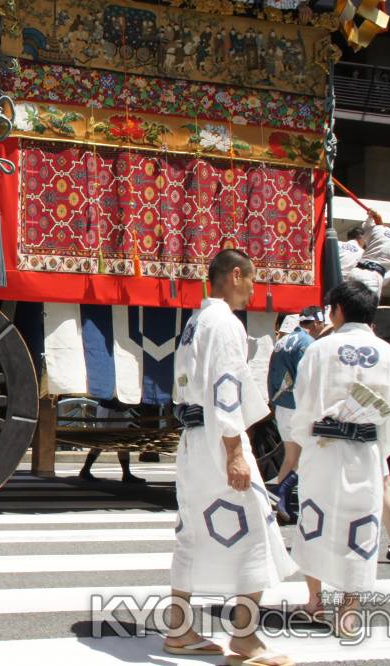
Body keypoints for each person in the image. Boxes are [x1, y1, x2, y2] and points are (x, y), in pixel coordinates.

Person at [165, 250, 296, 663]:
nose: (254, 291)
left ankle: (180, 628)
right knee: (256, 527)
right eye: (253, 280)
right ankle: (244, 637)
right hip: (217, 439)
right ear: (235, 275)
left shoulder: (196, 321)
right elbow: (225, 388)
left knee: (190, 533)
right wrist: (236, 451)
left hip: (193, 440)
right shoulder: (223, 322)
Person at [289, 279, 390, 636]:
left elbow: (304, 404)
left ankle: (315, 601)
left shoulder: (321, 349)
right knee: (361, 527)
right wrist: (377, 451)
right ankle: (350, 611)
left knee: (315, 522)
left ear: (337, 310)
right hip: (366, 451)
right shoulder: (388, 354)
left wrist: (304, 441)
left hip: (323, 449)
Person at [265, 306, 325, 522]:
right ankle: (284, 495)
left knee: (291, 458)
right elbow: (307, 378)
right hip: (299, 407)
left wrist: (272, 400)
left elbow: (270, 372)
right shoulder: (308, 344)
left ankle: (281, 504)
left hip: (282, 405)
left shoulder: (281, 342)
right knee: (309, 457)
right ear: (316, 323)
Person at [347, 211, 390, 296]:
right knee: (362, 309)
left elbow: (365, 228)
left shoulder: (379, 230)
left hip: (354, 272)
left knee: (344, 307)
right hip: (371, 279)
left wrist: (371, 217)